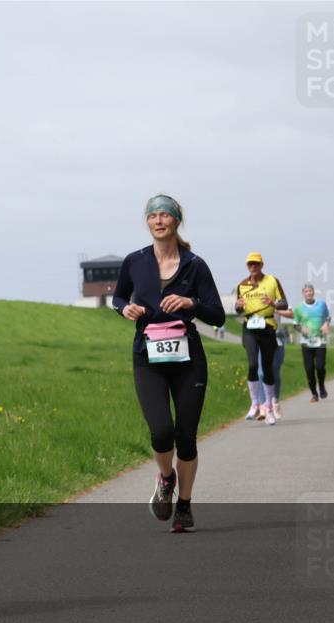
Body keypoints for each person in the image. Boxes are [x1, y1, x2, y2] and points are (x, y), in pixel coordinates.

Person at [113, 194, 225, 533]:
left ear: (177, 221)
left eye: (166, 215)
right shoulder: (135, 261)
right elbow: (119, 296)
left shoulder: (195, 264)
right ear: (147, 222)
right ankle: (166, 478)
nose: (159, 221)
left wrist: (191, 301)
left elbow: (217, 314)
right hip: (147, 356)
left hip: (188, 357)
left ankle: (185, 507)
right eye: (153, 216)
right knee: (161, 431)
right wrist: (124, 309)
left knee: (186, 437)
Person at [234, 253, 288, 425]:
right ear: (247, 266)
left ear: (262, 265)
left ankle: (269, 408)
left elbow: (284, 303)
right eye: (250, 264)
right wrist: (238, 306)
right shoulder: (242, 285)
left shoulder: (272, 281)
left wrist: (273, 303)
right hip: (249, 328)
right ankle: (255, 404)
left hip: (267, 327)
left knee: (267, 368)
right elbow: (238, 309)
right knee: (252, 365)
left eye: (256, 264)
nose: (253, 267)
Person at [293, 283, 331, 401]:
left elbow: (328, 317)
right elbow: (295, 324)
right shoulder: (299, 308)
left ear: (313, 292)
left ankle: (322, 386)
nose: (308, 293)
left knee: (320, 367)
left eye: (310, 291)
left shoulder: (322, 304)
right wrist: (301, 328)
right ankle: (314, 393)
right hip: (306, 342)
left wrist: (326, 324)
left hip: (320, 341)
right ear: (303, 293)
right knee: (309, 369)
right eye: (306, 291)